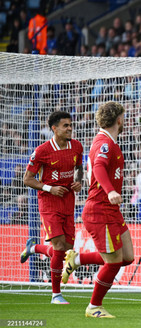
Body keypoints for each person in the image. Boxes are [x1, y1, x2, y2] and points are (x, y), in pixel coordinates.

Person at [62, 102, 134, 318]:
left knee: (127, 257)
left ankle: (77, 260)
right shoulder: (103, 143)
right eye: (124, 117)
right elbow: (100, 167)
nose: (124, 121)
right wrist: (111, 190)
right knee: (113, 262)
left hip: (110, 210)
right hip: (100, 209)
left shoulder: (110, 141)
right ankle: (94, 306)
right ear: (119, 119)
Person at [20, 111, 83, 304]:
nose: (70, 128)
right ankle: (56, 294)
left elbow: (79, 168)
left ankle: (34, 248)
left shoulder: (77, 146)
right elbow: (27, 179)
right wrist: (49, 188)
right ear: (54, 128)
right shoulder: (42, 151)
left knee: (66, 250)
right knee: (58, 246)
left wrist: (79, 181)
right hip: (49, 202)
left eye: (70, 125)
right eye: (65, 125)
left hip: (68, 201)